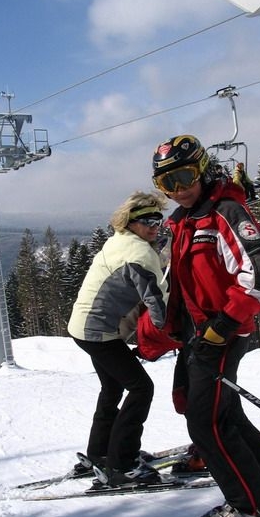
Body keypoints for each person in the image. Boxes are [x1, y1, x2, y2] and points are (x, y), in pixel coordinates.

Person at [137, 134, 260, 517]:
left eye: (184, 177)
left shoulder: (225, 213)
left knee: (205, 424)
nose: (178, 190)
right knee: (223, 412)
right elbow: (178, 287)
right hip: (199, 335)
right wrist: (159, 333)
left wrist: (222, 324)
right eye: (167, 184)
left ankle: (252, 510)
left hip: (224, 331)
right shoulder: (182, 221)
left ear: (202, 168)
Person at [67, 190, 169, 487]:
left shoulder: (120, 241)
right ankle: (121, 464)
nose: (154, 226)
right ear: (131, 222)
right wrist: (174, 333)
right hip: (99, 333)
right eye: (147, 220)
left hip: (85, 327)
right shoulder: (140, 253)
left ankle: (99, 454)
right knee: (141, 388)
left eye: (158, 220)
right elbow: (158, 305)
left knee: (112, 387)